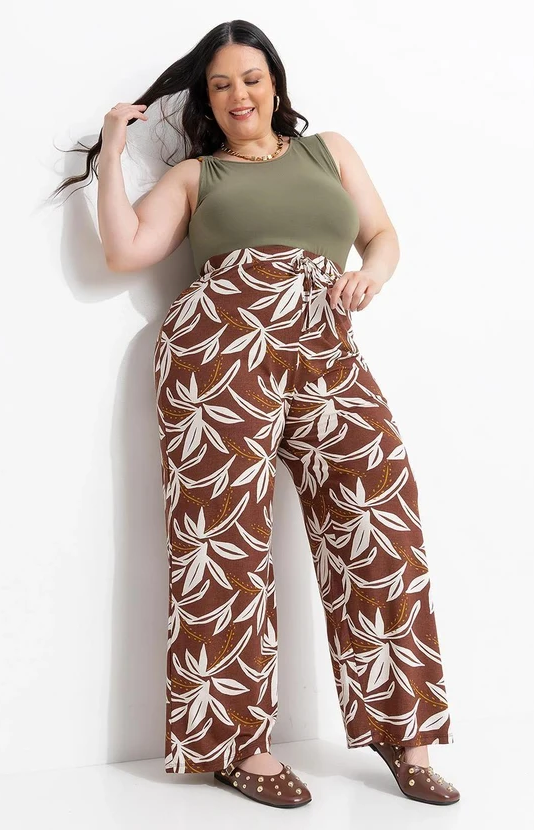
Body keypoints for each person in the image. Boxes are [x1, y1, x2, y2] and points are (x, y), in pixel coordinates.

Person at [53, 18, 460, 811]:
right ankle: (237, 745)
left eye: (250, 78)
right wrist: (110, 154)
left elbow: (381, 235)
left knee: (380, 522)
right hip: (219, 351)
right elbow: (125, 251)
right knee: (224, 544)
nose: (238, 94)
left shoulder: (329, 151)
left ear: (275, 83)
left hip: (325, 344)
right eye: (220, 85)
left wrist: (371, 277)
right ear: (207, 101)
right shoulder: (197, 175)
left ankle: (403, 733)